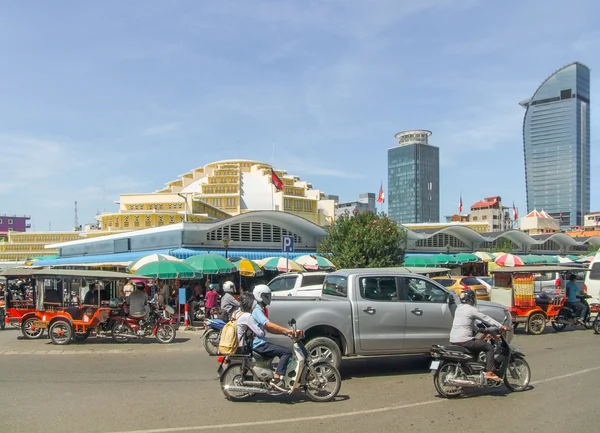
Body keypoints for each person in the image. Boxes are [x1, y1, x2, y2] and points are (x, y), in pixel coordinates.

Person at [449, 289, 509, 382]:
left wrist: (483, 330)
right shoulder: (471, 309)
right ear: (471, 299)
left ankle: (473, 369)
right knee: (489, 347)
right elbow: (486, 318)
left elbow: (471, 325)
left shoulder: (459, 308)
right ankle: (490, 372)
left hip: (454, 339)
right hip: (464, 340)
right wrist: (501, 326)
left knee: (476, 346)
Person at [251, 285, 298, 391]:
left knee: (282, 351)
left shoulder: (260, 309)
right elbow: (269, 325)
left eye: (269, 296)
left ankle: (274, 375)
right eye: (266, 296)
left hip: (260, 343)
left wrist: (285, 333)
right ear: (259, 296)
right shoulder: (257, 310)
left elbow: (270, 329)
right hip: (259, 344)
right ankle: (276, 379)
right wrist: (287, 330)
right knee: (286, 352)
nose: (268, 298)